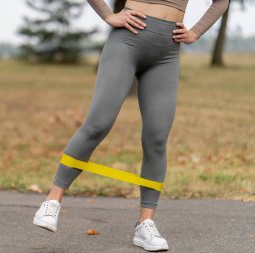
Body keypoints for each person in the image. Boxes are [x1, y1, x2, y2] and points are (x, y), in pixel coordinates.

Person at [32, 0, 229, 251]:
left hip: (167, 51)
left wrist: (196, 32)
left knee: (157, 138)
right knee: (98, 124)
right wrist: (107, 14)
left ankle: (145, 225)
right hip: (127, 39)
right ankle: (52, 201)